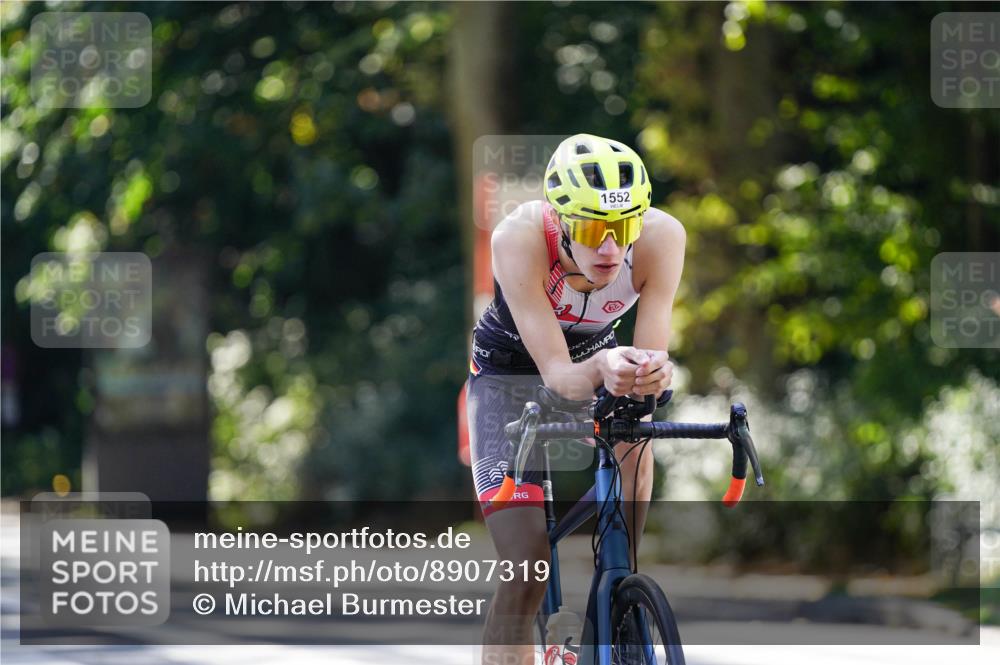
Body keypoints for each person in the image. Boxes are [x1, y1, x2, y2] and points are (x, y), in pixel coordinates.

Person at [466, 133, 686, 664]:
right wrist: (610, 366)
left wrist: (653, 372)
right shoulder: (518, 238)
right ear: (562, 220)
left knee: (636, 430)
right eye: (591, 229)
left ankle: (619, 592)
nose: (610, 249)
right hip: (508, 383)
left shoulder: (663, 237)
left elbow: (649, 359)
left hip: (597, 367)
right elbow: (560, 376)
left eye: (623, 228)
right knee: (526, 570)